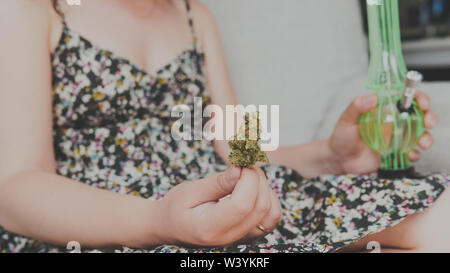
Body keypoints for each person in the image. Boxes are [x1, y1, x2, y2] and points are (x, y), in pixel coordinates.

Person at [0, 0, 448, 253]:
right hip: (104, 222)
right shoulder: (33, 11)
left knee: (438, 213)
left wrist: (331, 156)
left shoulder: (194, 14)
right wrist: (157, 220)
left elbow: (240, 150)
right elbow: (16, 189)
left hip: (216, 201)